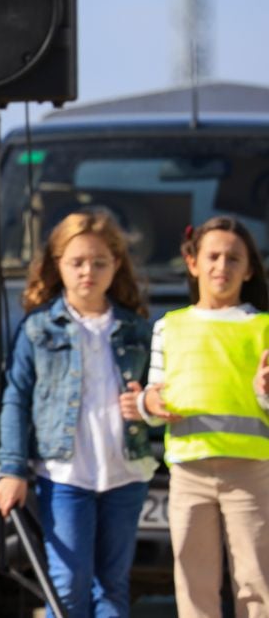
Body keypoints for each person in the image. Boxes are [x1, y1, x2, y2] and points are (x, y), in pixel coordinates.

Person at [0, 209, 156, 618]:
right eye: (77, 262)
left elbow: (157, 395)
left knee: (113, 587)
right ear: (57, 265)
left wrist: (146, 404)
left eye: (100, 262)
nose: (88, 272)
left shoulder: (135, 329)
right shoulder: (38, 328)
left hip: (125, 474)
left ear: (116, 265)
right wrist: (11, 468)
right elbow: (16, 398)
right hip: (65, 477)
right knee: (67, 587)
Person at [139, 216, 269, 618]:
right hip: (188, 474)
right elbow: (154, 395)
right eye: (213, 256)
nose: (222, 266)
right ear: (192, 262)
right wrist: (149, 406)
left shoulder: (263, 327)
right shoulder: (169, 327)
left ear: (248, 269)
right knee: (193, 581)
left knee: (256, 580)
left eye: (234, 258)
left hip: (249, 472)